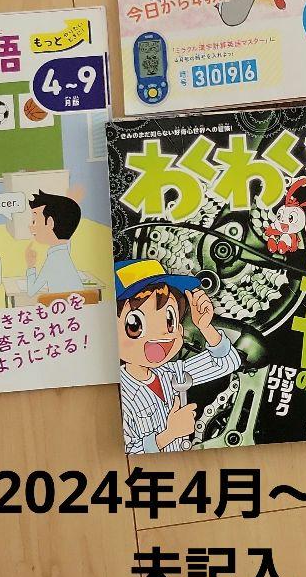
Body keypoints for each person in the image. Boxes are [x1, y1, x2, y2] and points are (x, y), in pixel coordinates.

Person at [115, 259, 242, 454]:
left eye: (169, 321)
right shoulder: (118, 395)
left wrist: (205, 327)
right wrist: (169, 434)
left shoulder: (171, 373)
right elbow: (124, 454)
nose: (162, 335)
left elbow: (226, 362)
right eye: (135, 326)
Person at [25, 190, 85, 296]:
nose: (31, 227)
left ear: (50, 223)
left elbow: (31, 291)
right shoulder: (63, 251)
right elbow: (66, 236)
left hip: (63, 304)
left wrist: (30, 264)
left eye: (34, 221)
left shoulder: (54, 259)